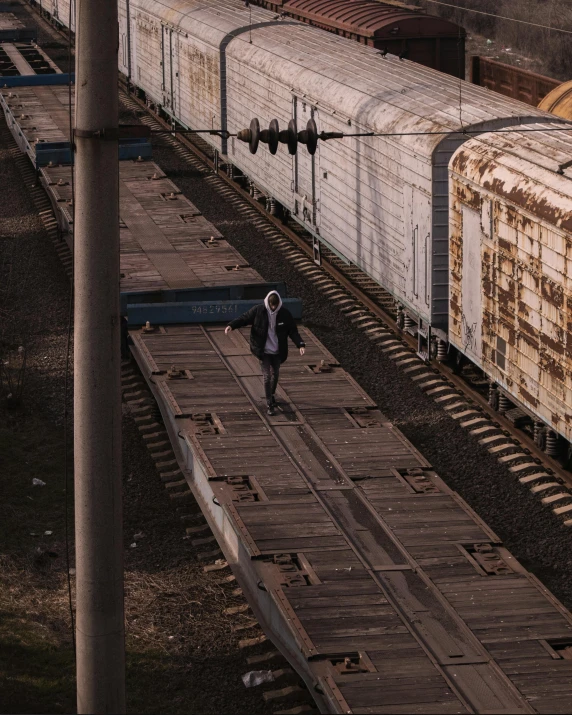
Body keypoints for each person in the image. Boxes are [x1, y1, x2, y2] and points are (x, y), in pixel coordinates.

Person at [225, 290, 305, 415]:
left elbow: (293, 331)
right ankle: (269, 404)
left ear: (278, 304)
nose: (273, 308)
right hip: (263, 350)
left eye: (275, 306)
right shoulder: (258, 311)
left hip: (278, 351)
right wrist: (232, 325)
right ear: (268, 302)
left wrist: (300, 344)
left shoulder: (284, 314)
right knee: (267, 376)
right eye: (271, 305)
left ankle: (272, 394)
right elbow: (245, 318)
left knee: (275, 375)